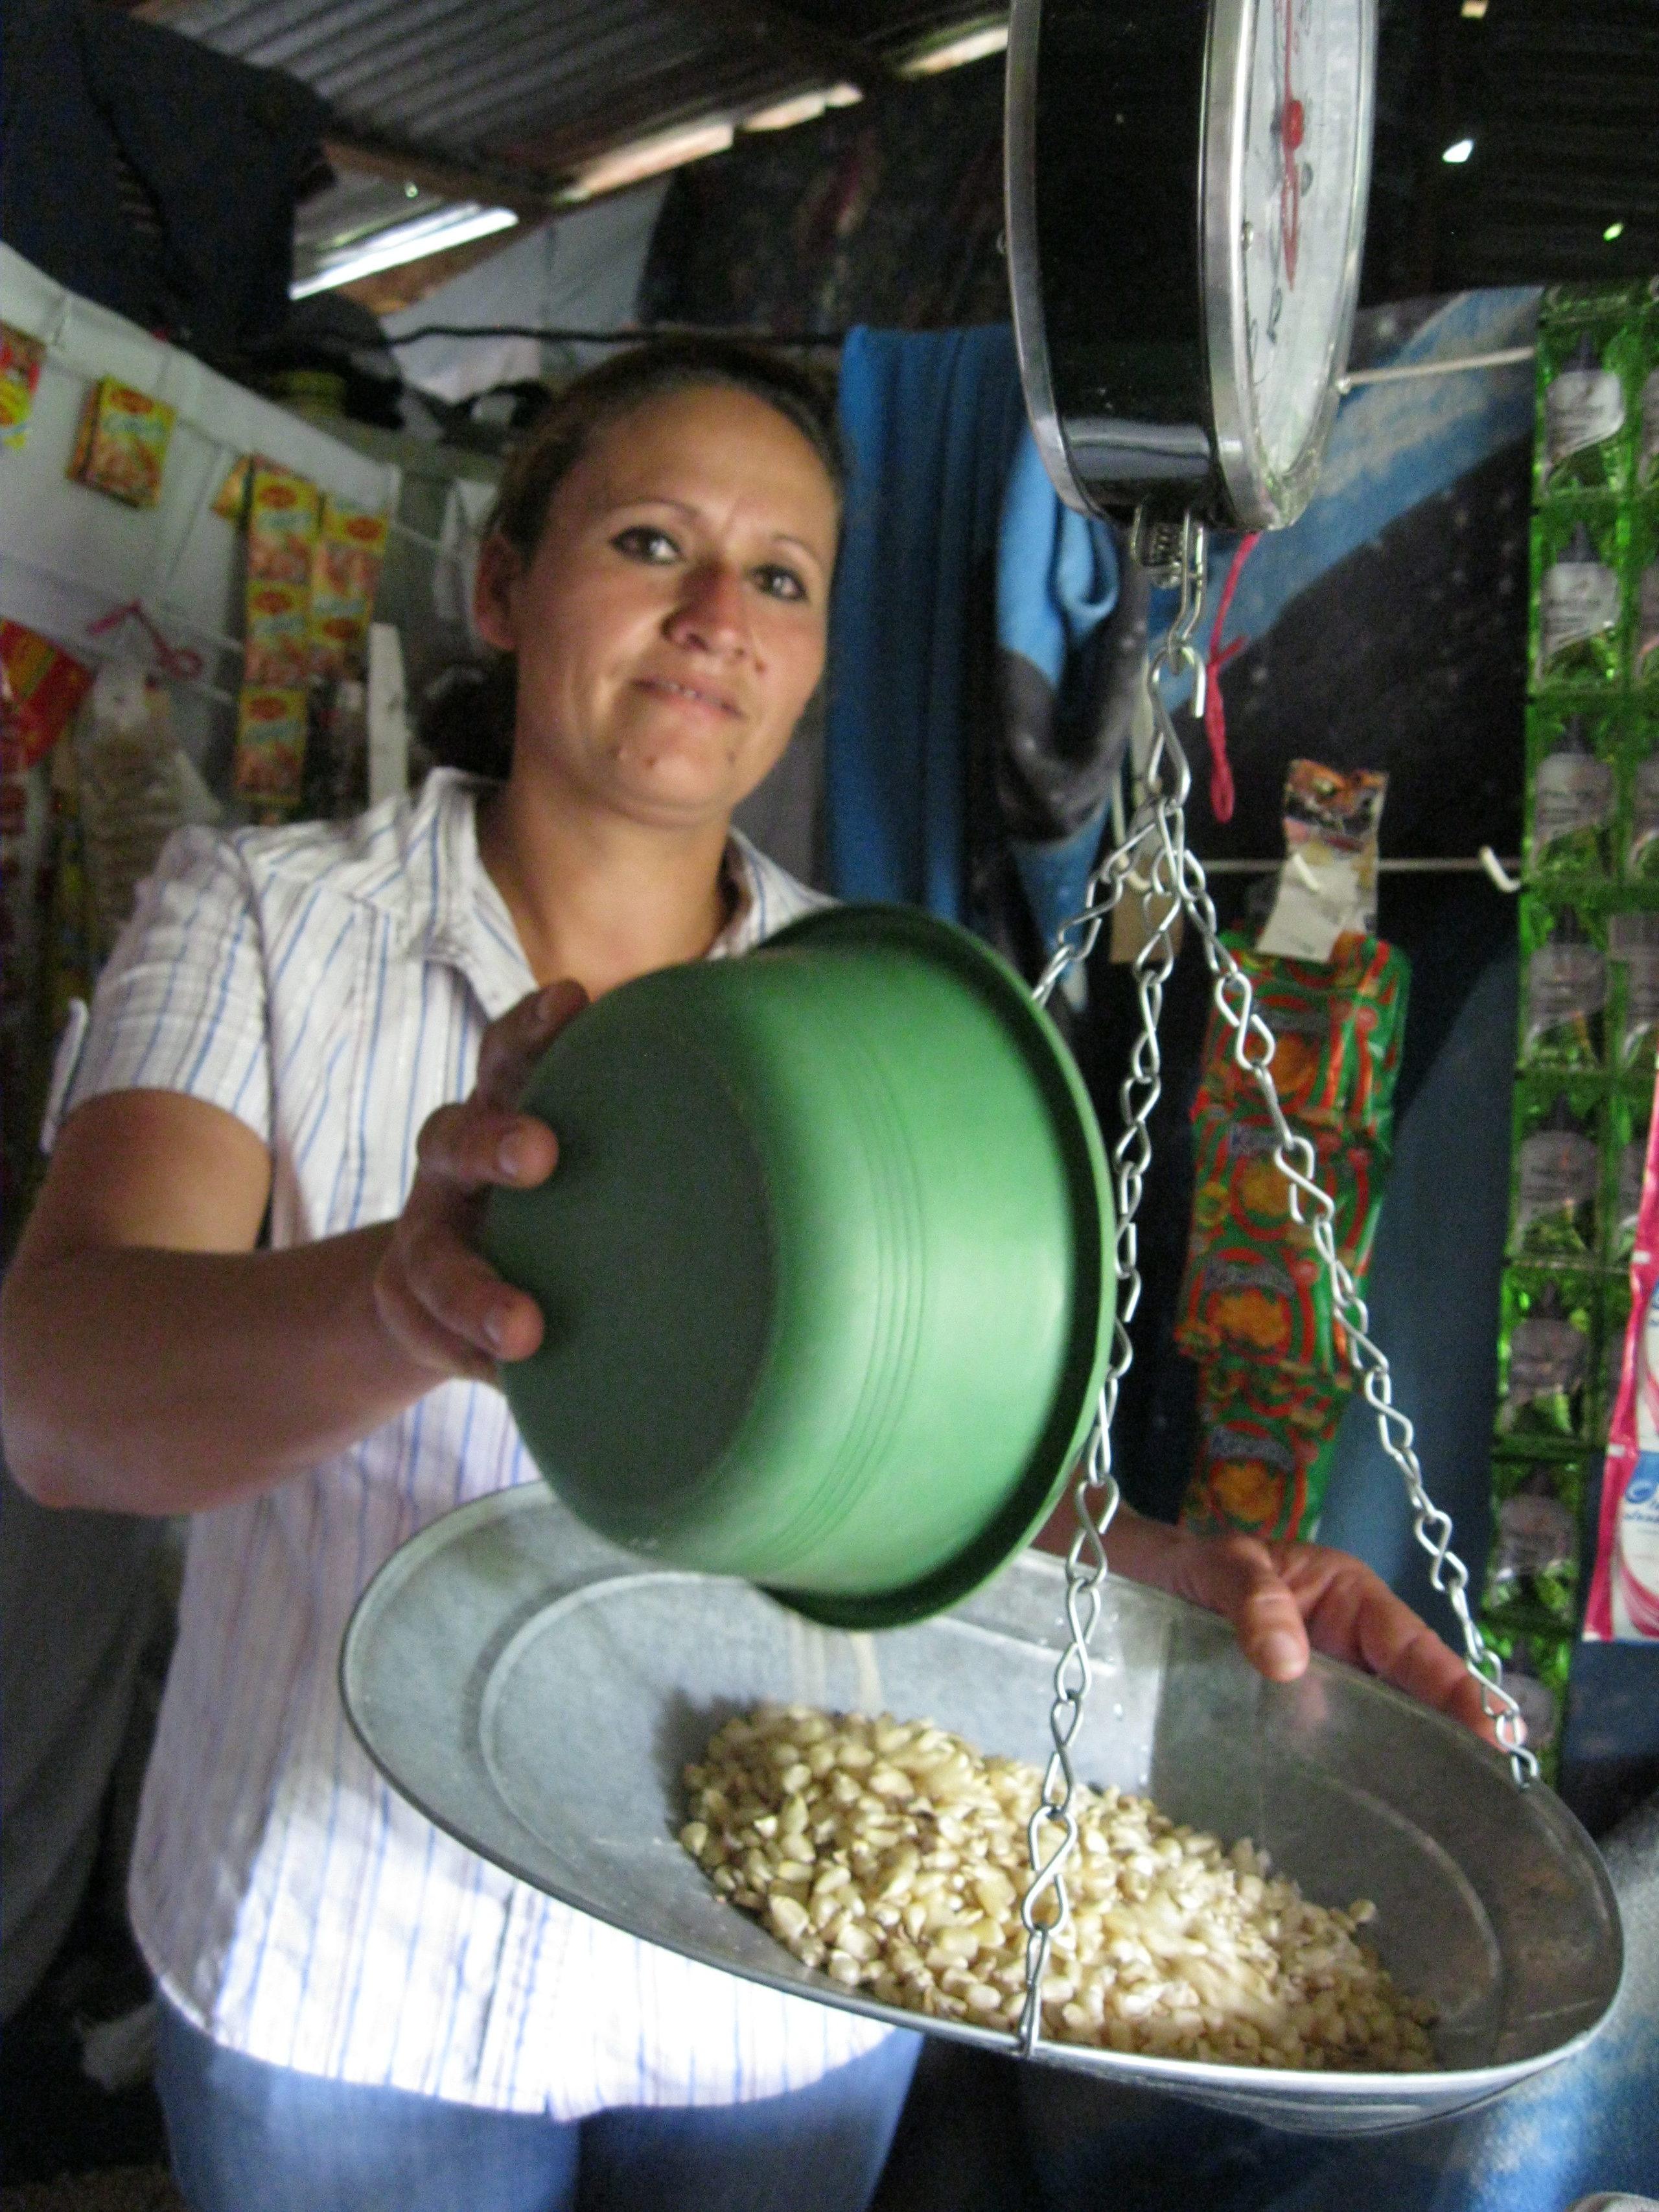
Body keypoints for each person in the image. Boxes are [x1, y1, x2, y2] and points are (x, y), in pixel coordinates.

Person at [0, 338, 1494, 2212]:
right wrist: (397, 1300)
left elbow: (927, 1476)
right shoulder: (261, 919)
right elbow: (60, 1407)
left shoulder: (883, 1009)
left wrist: (1187, 1583)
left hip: (773, 1984)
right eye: (650, 541)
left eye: (781, 577)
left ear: (813, 656)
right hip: (346, 1971)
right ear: (501, 584)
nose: (719, 615)